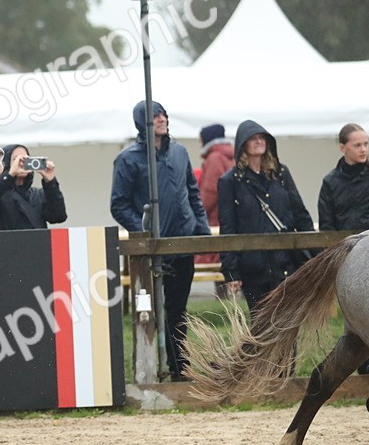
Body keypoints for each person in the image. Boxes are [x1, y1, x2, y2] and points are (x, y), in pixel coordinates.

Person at [110, 100, 210, 382]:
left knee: (178, 309)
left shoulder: (179, 152)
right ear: (143, 122)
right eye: (155, 116)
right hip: (151, 249)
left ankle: (180, 368)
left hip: (183, 242)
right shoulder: (128, 159)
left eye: (163, 114)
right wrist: (143, 232)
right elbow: (118, 204)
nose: (162, 119)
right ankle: (149, 369)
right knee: (148, 312)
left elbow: (193, 193)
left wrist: (200, 231)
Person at [317, 123, 369, 375]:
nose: (363, 149)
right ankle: (361, 364)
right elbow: (328, 224)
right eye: (357, 145)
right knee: (354, 312)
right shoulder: (331, 182)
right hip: (347, 256)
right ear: (343, 147)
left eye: (365, 144)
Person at [217, 120, 315, 315]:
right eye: (252, 138)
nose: (258, 141)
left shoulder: (280, 173)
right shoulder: (230, 181)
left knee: (288, 321)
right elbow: (228, 227)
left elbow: (300, 214)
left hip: (285, 262)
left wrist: (314, 253)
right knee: (261, 322)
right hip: (253, 266)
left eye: (262, 137)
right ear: (242, 144)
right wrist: (232, 272)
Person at [0, 144, 66, 231]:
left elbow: (58, 217)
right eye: (16, 159)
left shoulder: (38, 195)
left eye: (25, 159)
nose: (22, 163)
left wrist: (50, 182)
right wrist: (10, 175)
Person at [196, 123, 235, 278]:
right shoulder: (229, 156)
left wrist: (198, 211)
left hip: (216, 219)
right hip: (226, 217)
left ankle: (223, 299)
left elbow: (210, 191)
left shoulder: (215, 158)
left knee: (219, 267)